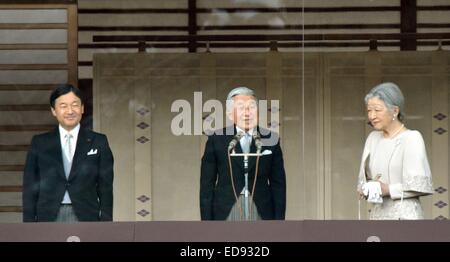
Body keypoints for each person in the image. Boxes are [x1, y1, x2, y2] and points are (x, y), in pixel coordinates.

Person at [23, 84, 114, 222]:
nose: (70, 111)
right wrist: (28, 224)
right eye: (63, 106)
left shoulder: (98, 141)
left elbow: (106, 186)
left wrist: (106, 222)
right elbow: (30, 185)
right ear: (54, 110)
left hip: (86, 214)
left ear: (82, 108)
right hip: (48, 215)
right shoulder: (40, 143)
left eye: (75, 105)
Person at [200, 86, 286, 220]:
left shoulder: (271, 139)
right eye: (240, 107)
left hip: (261, 209)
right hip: (226, 210)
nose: (247, 113)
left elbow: (278, 185)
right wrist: (207, 223)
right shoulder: (216, 139)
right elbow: (207, 185)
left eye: (251, 107)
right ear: (230, 114)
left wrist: (279, 221)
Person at [357, 82, 433, 220]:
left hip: (405, 217)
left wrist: (388, 189)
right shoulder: (372, 138)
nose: (372, 116)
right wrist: (367, 187)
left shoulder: (412, 138)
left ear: (395, 111)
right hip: (378, 215)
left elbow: (420, 185)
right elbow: (364, 178)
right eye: (369, 110)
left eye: (377, 110)